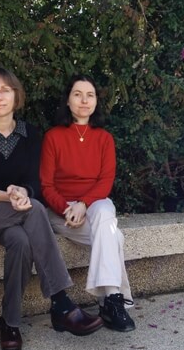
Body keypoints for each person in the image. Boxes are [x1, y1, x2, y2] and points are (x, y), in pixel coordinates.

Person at [0, 67, 103, 350]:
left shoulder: (30, 134)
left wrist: (24, 193)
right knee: (34, 210)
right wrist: (8, 196)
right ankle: (60, 300)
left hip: (16, 212)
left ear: (16, 96)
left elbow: (34, 183)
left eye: (5, 90)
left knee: (21, 240)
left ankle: (9, 323)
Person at [40, 74, 135, 332]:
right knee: (114, 237)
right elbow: (46, 185)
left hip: (94, 207)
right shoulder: (53, 137)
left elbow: (105, 182)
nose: (84, 100)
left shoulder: (104, 139)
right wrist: (67, 208)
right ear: (68, 101)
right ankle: (112, 302)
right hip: (62, 212)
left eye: (89, 95)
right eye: (77, 94)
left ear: (95, 103)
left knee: (104, 208)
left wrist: (83, 203)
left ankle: (112, 300)